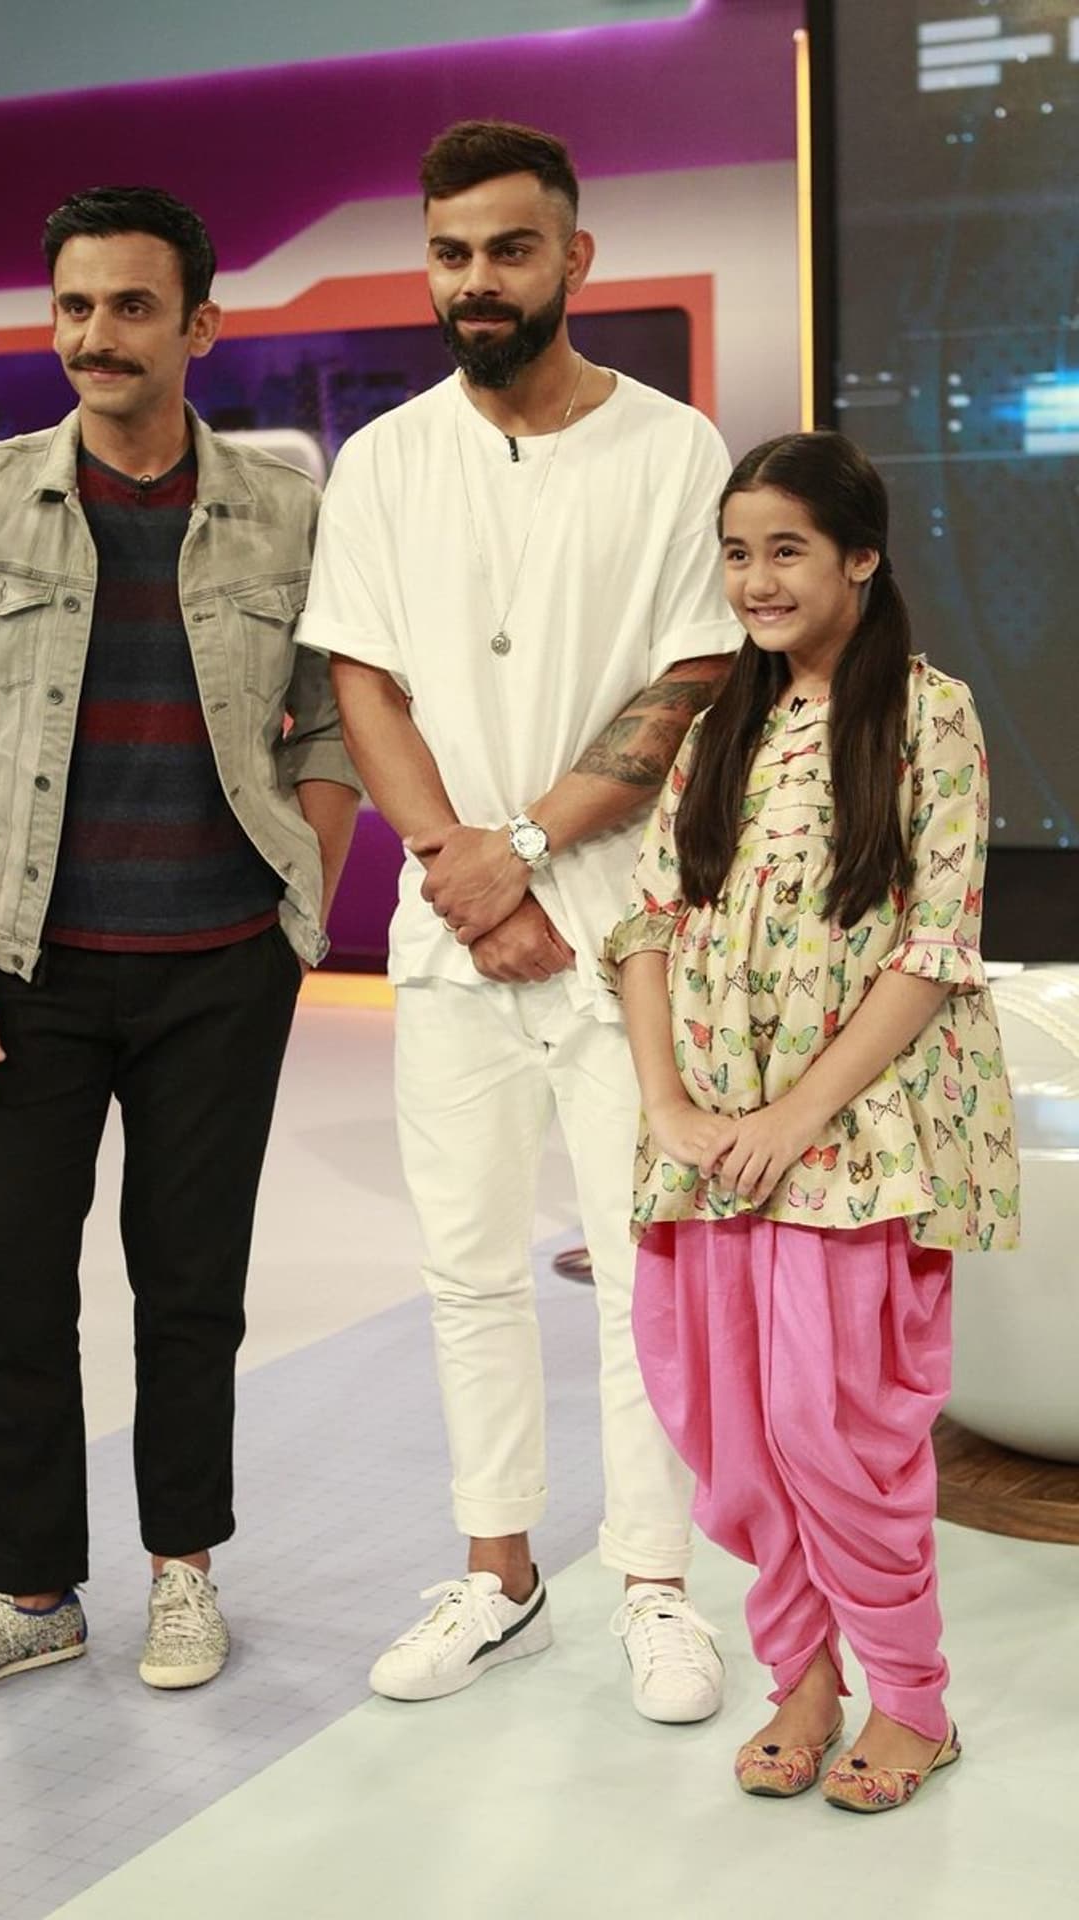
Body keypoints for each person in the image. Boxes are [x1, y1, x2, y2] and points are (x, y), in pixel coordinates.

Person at [0, 186, 360, 1707]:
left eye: (132, 306)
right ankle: (29, 1593)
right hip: (23, 966)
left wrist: (300, 913)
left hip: (222, 965)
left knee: (191, 1289)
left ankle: (182, 1572)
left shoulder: (285, 512)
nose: (96, 335)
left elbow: (331, 725)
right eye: (75, 306)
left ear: (200, 324)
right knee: (13, 1293)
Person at [299, 120, 741, 1719]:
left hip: (630, 934)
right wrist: (461, 870)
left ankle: (657, 1585)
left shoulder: (675, 448)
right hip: (450, 935)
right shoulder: (383, 459)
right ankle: (499, 1574)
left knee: (643, 1271)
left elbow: (694, 674)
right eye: (450, 252)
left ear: (574, 258)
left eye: (507, 248)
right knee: (469, 1265)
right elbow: (362, 678)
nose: (475, 279)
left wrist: (529, 849)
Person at [607, 429, 1019, 1810]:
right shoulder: (721, 723)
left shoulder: (929, 714)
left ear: (861, 557)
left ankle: (911, 1702)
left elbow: (934, 947)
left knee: (830, 1422)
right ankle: (802, 1678)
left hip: (851, 1139)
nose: (758, 581)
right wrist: (670, 1105)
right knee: (732, 1423)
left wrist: (795, 1115)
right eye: (738, 554)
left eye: (788, 550)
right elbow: (648, 923)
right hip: (712, 1145)